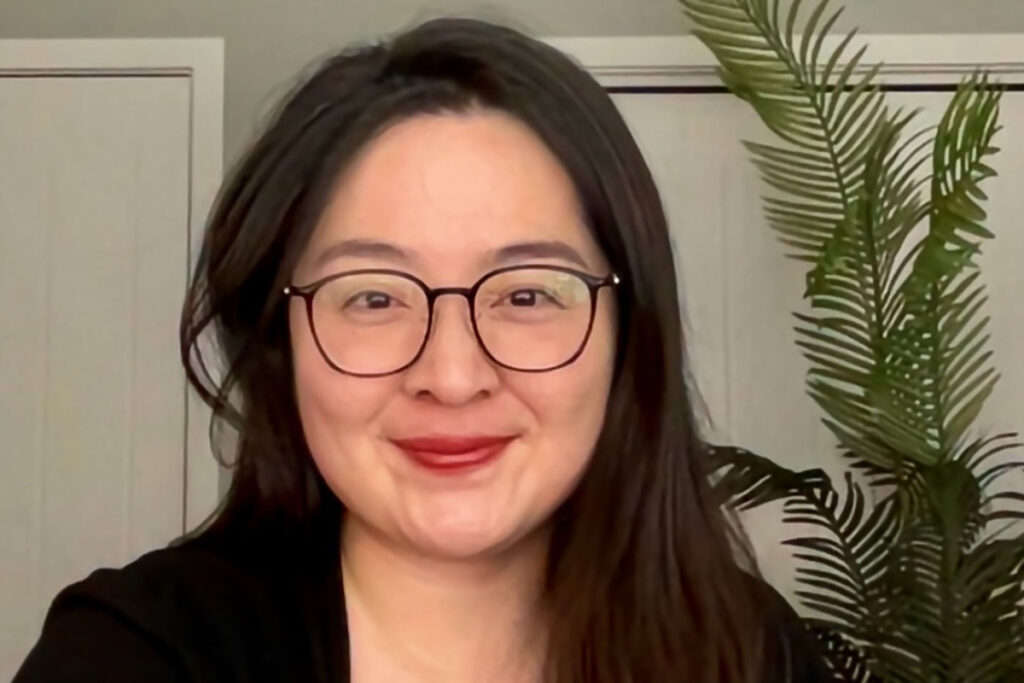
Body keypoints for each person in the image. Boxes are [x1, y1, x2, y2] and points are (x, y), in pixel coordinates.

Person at [13, 16, 832, 683]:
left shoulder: (750, 653)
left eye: (524, 295)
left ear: (627, 339)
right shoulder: (133, 655)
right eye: (373, 297)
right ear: (280, 340)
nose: (451, 375)